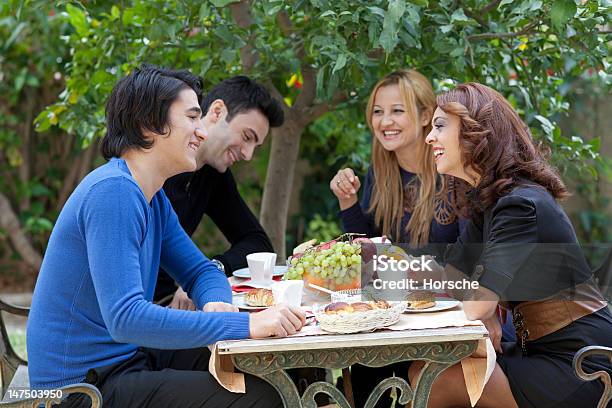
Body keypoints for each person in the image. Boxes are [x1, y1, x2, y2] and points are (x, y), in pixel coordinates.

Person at [26, 65, 304, 408]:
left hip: (125, 361)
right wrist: (242, 323)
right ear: (150, 123)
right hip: (78, 389)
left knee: (274, 370)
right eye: (191, 117)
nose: (201, 132)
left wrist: (216, 304)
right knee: (263, 397)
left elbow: (201, 271)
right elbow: (126, 318)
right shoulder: (113, 192)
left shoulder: (151, 197)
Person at [412, 82, 612, 407]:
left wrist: (484, 307)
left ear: (475, 132)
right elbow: (451, 275)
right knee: (427, 371)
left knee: (433, 380)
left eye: (439, 126)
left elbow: (477, 304)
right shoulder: (490, 200)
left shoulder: (520, 204)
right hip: (536, 348)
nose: (429, 138)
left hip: (580, 362)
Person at [329, 69, 465, 407]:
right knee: (360, 368)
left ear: (423, 116)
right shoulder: (382, 171)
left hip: (446, 316)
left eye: (397, 110)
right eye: (378, 111)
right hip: (394, 312)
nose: (385, 121)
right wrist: (347, 201)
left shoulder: (453, 171)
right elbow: (370, 246)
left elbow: (470, 261)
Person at [155, 76, 284, 309]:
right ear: (216, 111)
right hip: (123, 319)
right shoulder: (153, 165)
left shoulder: (213, 174)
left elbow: (257, 243)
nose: (248, 155)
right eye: (247, 137)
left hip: (165, 310)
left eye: (256, 146)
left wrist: (211, 271)